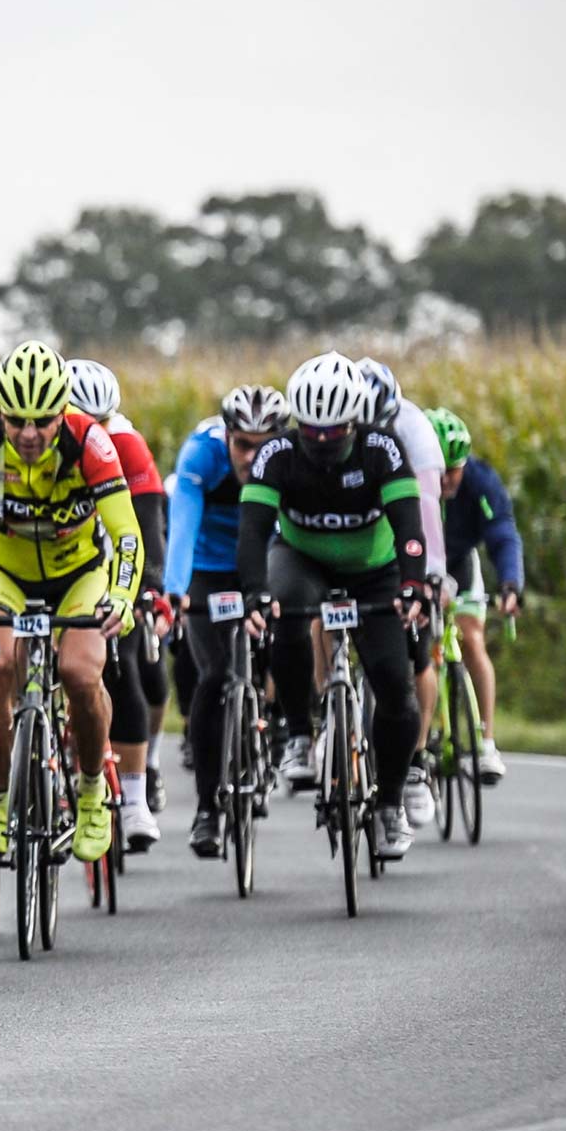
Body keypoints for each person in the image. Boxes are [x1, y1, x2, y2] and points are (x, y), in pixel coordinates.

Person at [239, 353, 434, 860]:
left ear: (356, 422)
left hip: (375, 568)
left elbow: (410, 529)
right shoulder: (276, 452)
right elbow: (253, 530)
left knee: (396, 685)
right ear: (296, 424)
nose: (323, 443)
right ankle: (300, 736)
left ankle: (390, 804)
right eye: (312, 432)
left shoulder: (382, 449)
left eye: (335, 433)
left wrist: (413, 585)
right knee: (286, 610)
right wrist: (254, 592)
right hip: (302, 558)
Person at [0, 342, 141, 873]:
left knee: (80, 674)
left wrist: (123, 596)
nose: (29, 434)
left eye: (43, 421)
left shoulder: (91, 441)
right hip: (6, 573)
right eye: (17, 421)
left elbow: (126, 533)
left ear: (63, 413)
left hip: (77, 576)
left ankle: (90, 796)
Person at [165, 384, 290, 857]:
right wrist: (175, 590)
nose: (252, 457)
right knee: (214, 677)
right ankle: (206, 808)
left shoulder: (287, 461)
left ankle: (275, 724)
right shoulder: (201, 454)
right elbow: (182, 524)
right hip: (209, 571)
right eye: (242, 445)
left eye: (262, 447)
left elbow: (290, 528)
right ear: (227, 437)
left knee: (286, 631)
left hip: (265, 559)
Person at [66, 357, 171, 851]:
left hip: (112, 563)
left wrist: (148, 590)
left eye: (101, 422)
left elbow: (146, 524)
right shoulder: (39, 440)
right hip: (59, 560)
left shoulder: (125, 444)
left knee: (125, 666)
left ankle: (133, 795)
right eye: (82, 421)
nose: (94, 433)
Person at [357, 357, 450, 839]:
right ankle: (323, 710)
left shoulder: (413, 430)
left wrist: (430, 577)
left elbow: (426, 509)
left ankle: (413, 761)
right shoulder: (330, 430)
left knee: (417, 655)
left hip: (399, 538)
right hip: (350, 534)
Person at [429, 407, 522, 784]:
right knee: (423, 653)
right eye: (440, 469)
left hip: (461, 566)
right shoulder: (407, 480)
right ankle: (425, 737)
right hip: (419, 568)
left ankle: (485, 743)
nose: (448, 478)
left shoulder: (480, 480)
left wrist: (510, 584)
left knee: (471, 639)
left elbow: (502, 532)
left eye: (456, 468)